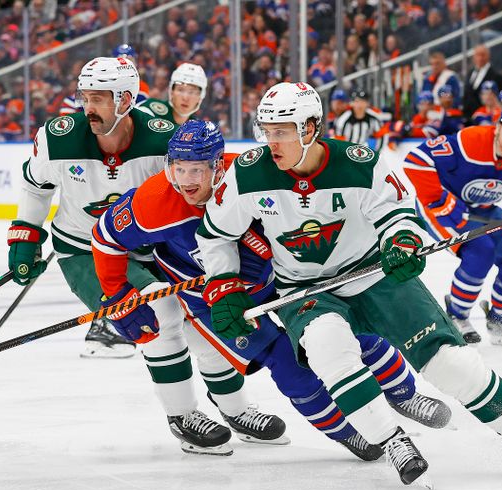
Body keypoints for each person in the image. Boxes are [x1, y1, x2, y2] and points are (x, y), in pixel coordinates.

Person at [195, 82, 502, 485]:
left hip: (371, 272)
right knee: (328, 350)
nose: (271, 141)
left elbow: (397, 210)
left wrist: (402, 239)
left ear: (310, 128)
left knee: (450, 361)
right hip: (304, 290)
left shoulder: (360, 162)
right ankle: (391, 439)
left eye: (281, 131)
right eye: (266, 130)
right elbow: (215, 235)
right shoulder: (248, 173)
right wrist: (223, 285)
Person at [92, 119, 453, 461]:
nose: (186, 181)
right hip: (212, 298)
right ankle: (347, 432)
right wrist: (118, 293)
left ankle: (404, 394)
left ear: (218, 166)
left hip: (278, 277)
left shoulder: (250, 176)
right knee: (286, 362)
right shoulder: (153, 201)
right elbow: (106, 237)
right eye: (179, 168)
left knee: (353, 329)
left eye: (197, 169)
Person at [7, 57, 284, 455]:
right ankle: (182, 415)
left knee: (204, 321)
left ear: (126, 99)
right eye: (85, 97)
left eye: (99, 98)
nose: (88, 107)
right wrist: (25, 234)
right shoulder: (58, 138)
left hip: (152, 249)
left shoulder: (162, 141)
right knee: (161, 317)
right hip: (86, 251)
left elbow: (193, 196)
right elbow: (36, 186)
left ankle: (236, 409)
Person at [404, 97, 502, 348]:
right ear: (499, 125)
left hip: (482, 210)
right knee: (480, 252)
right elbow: (414, 160)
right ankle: (456, 315)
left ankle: (500, 323)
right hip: (440, 208)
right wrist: (439, 199)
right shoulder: (470, 141)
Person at [136, 63, 208, 125]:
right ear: (171, 91)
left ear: (201, 96)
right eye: (180, 90)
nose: (185, 97)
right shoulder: (149, 110)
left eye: (192, 92)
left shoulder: (198, 130)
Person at [463, 44, 502, 118]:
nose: (480, 58)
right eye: (477, 55)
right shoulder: (470, 73)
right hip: (468, 117)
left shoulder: (496, 76)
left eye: (483, 55)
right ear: (473, 57)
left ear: (488, 56)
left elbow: (499, 98)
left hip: (487, 117)